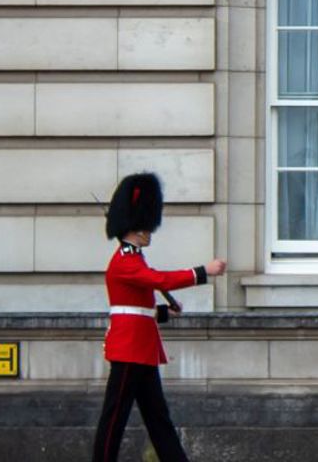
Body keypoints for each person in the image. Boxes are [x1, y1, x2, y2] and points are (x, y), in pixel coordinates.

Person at [91, 172, 226, 462]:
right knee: (114, 418)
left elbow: (138, 307)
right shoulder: (124, 262)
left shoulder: (134, 258)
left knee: (158, 418)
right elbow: (159, 280)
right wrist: (203, 272)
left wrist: (165, 312)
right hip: (129, 349)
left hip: (141, 348)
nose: (150, 232)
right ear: (138, 227)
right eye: (147, 226)